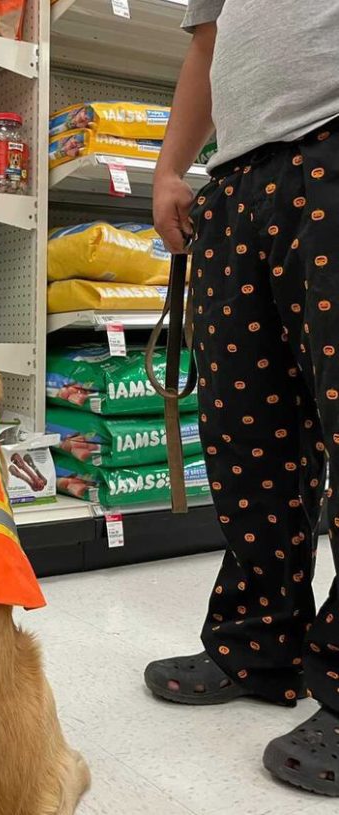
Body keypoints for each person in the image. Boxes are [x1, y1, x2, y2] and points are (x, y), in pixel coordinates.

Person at [144, 0, 339, 796]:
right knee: (244, 435)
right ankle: (259, 643)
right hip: (236, 182)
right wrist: (168, 167)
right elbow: (207, 48)